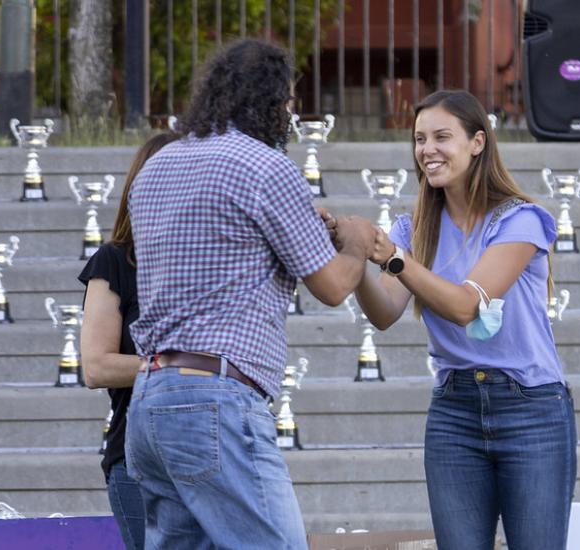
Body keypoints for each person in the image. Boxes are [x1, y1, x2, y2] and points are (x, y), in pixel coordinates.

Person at [125, 38, 376, 549]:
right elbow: (331, 286)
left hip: (150, 398)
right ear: (268, 100)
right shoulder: (266, 167)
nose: (292, 112)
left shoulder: (157, 166)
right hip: (216, 397)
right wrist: (354, 242)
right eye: (288, 100)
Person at [350, 90, 577, 550]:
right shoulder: (411, 229)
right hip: (454, 411)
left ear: (477, 142)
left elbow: (464, 306)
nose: (426, 149)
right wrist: (353, 260)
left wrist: (392, 258)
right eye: (419, 139)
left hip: (531, 408)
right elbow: (385, 313)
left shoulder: (521, 220)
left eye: (441, 137)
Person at [78, 131, 181, 550]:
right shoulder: (114, 260)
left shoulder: (211, 260)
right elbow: (96, 366)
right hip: (137, 457)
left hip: (214, 451)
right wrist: (174, 367)